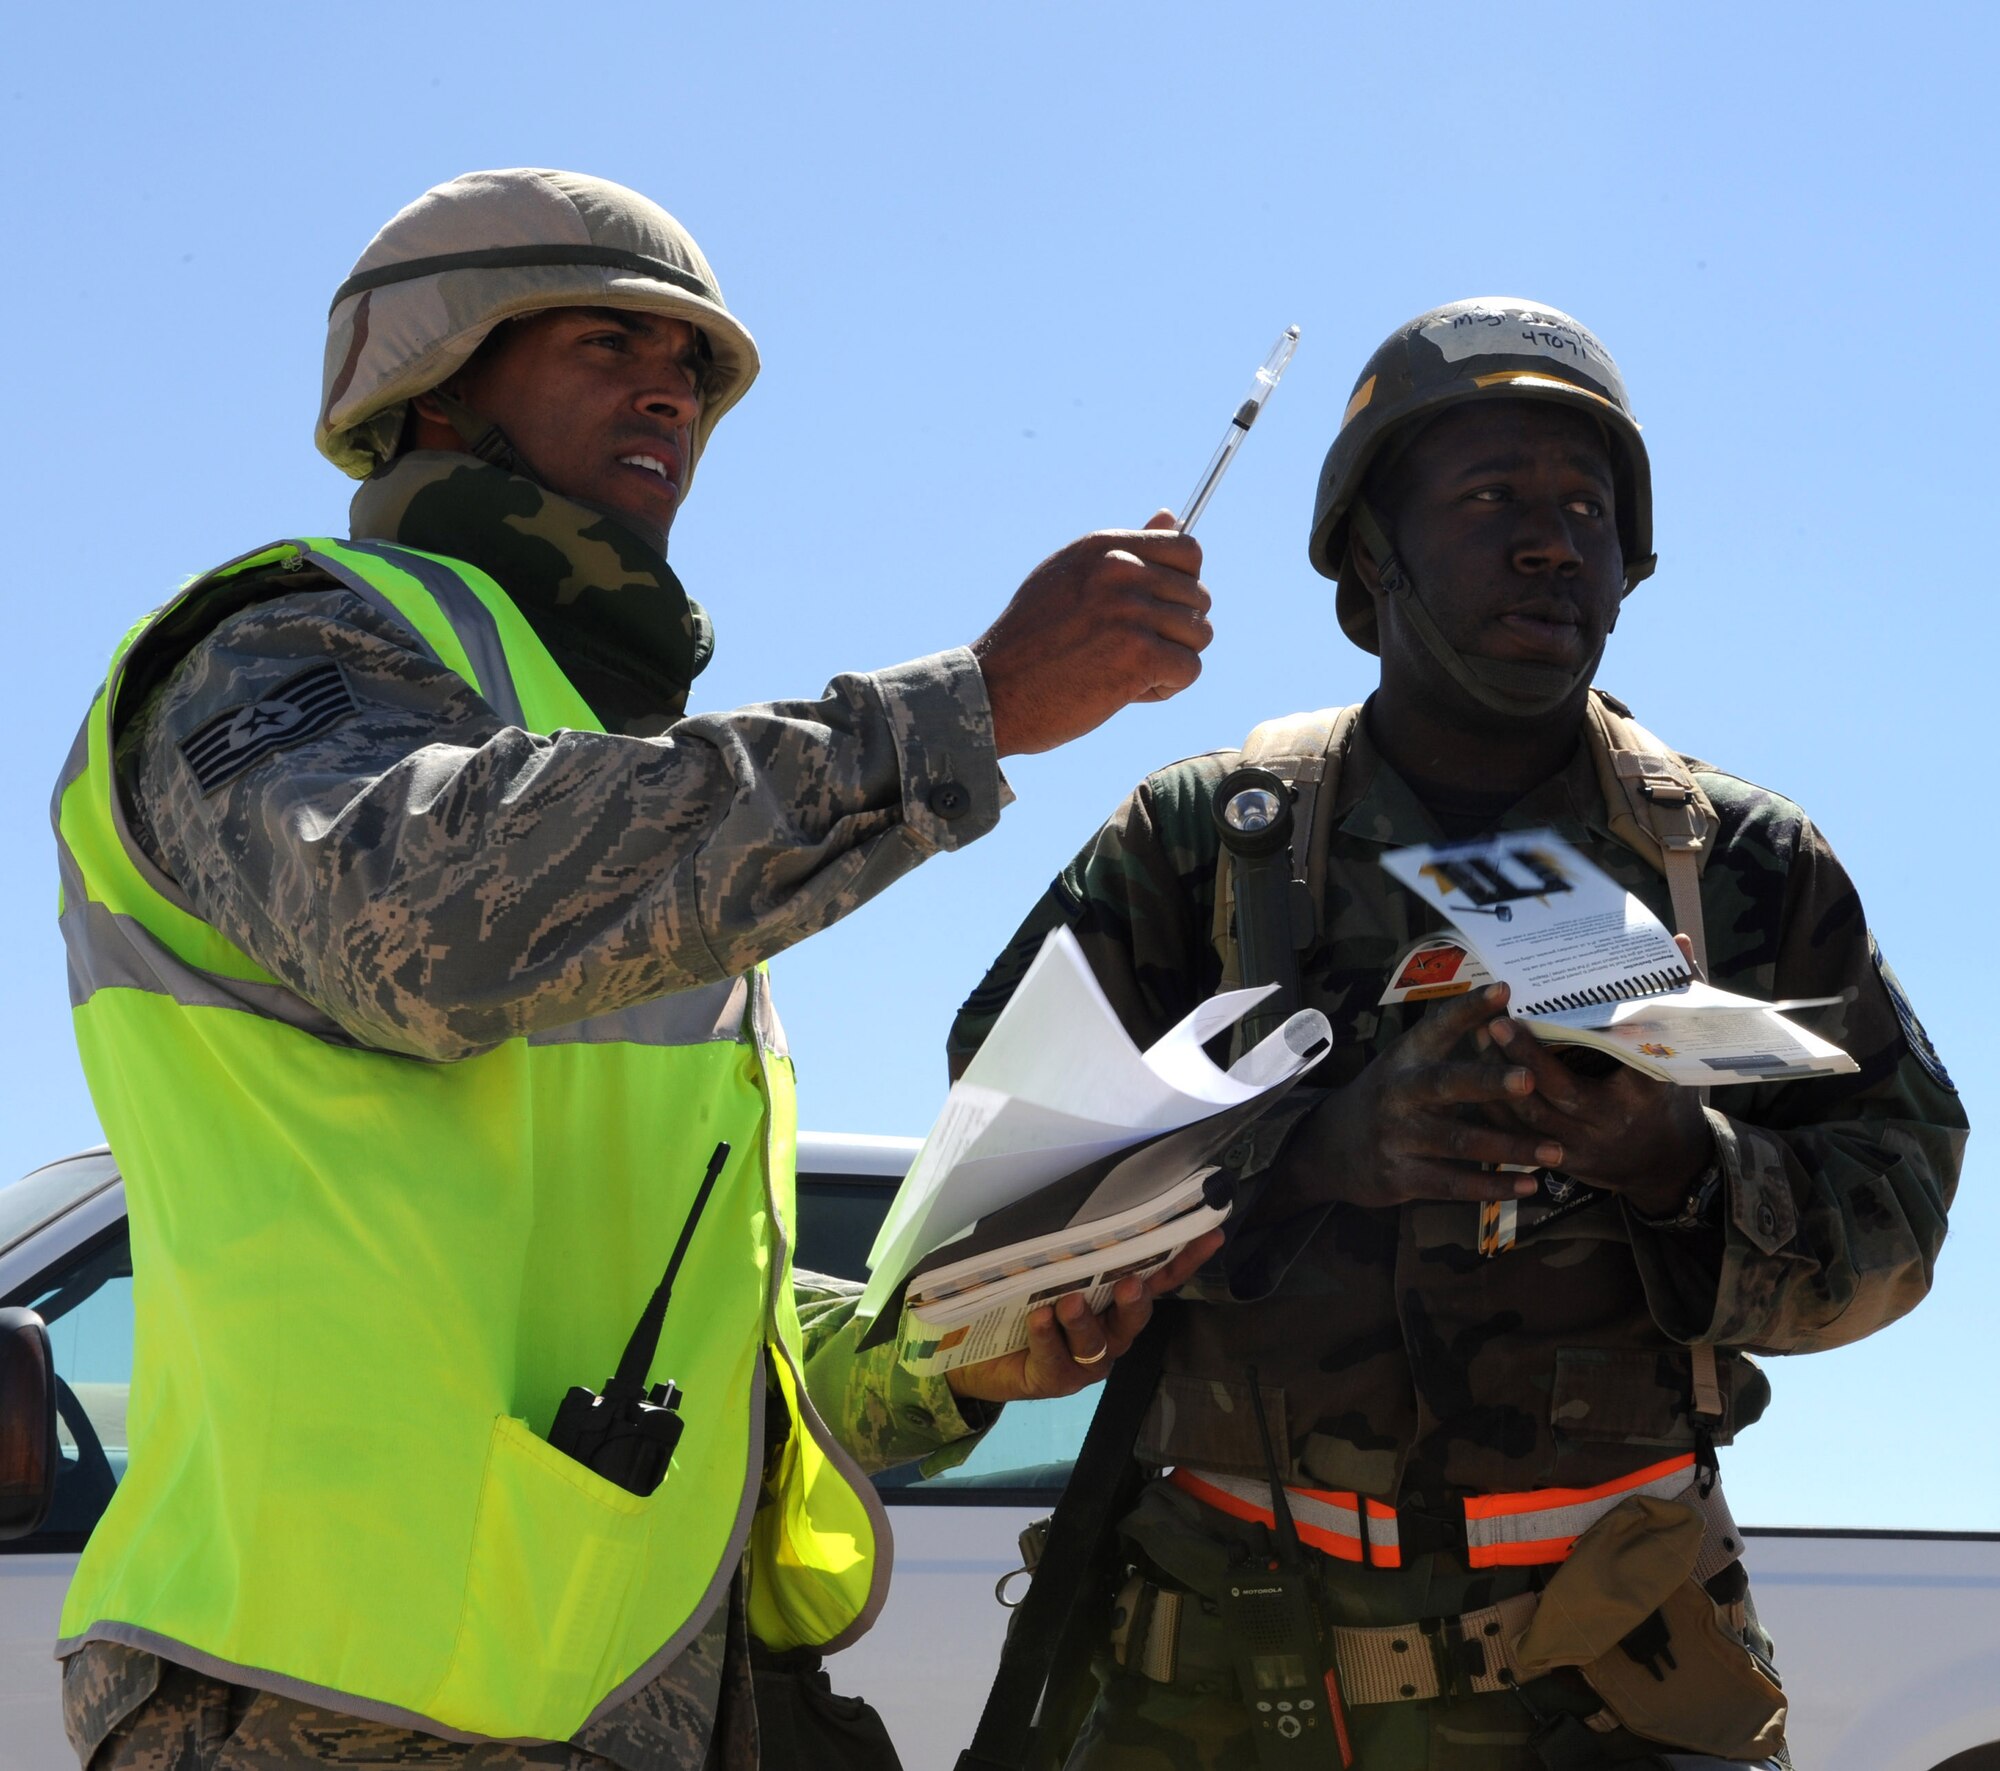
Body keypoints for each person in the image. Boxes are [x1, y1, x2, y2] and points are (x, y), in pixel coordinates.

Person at [49, 167, 1225, 1771]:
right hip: (314, 1705)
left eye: (694, 372)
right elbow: (418, 924)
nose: (670, 385)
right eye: (608, 344)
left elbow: (693, 1352)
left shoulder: (637, 806)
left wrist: (965, 1346)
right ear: (433, 387)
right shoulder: (272, 653)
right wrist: (972, 709)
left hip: (625, 1710)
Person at [949, 298, 1967, 1770]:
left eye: (1587, 509)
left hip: (1612, 1685)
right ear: (1374, 555)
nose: (1553, 541)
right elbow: (994, 1170)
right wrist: (1306, 1159)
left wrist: (1679, 1162)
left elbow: (1898, 1211)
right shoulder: (1205, 842)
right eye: (1492, 498)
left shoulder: (1742, 865)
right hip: (1216, 1687)